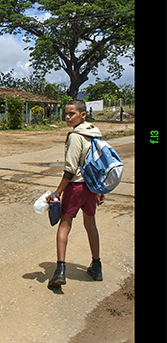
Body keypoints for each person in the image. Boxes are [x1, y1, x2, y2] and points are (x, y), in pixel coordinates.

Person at [47, 100, 105, 288]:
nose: (67, 117)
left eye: (72, 113)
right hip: (91, 188)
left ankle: (60, 270)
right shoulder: (95, 133)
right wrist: (100, 188)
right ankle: (96, 266)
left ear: (83, 114)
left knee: (64, 226)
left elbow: (70, 170)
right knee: (91, 225)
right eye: (66, 113)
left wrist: (57, 192)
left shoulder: (75, 136)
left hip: (76, 188)